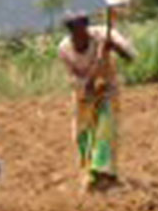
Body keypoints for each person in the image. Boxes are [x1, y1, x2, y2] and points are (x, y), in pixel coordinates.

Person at [58, 10, 135, 191]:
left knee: (105, 131)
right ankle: (90, 174)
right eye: (75, 31)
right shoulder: (64, 49)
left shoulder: (103, 35)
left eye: (82, 29)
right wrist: (95, 69)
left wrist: (113, 46)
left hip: (108, 90)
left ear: (86, 27)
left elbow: (130, 56)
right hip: (83, 94)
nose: (80, 35)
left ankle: (106, 174)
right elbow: (79, 78)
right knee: (82, 134)